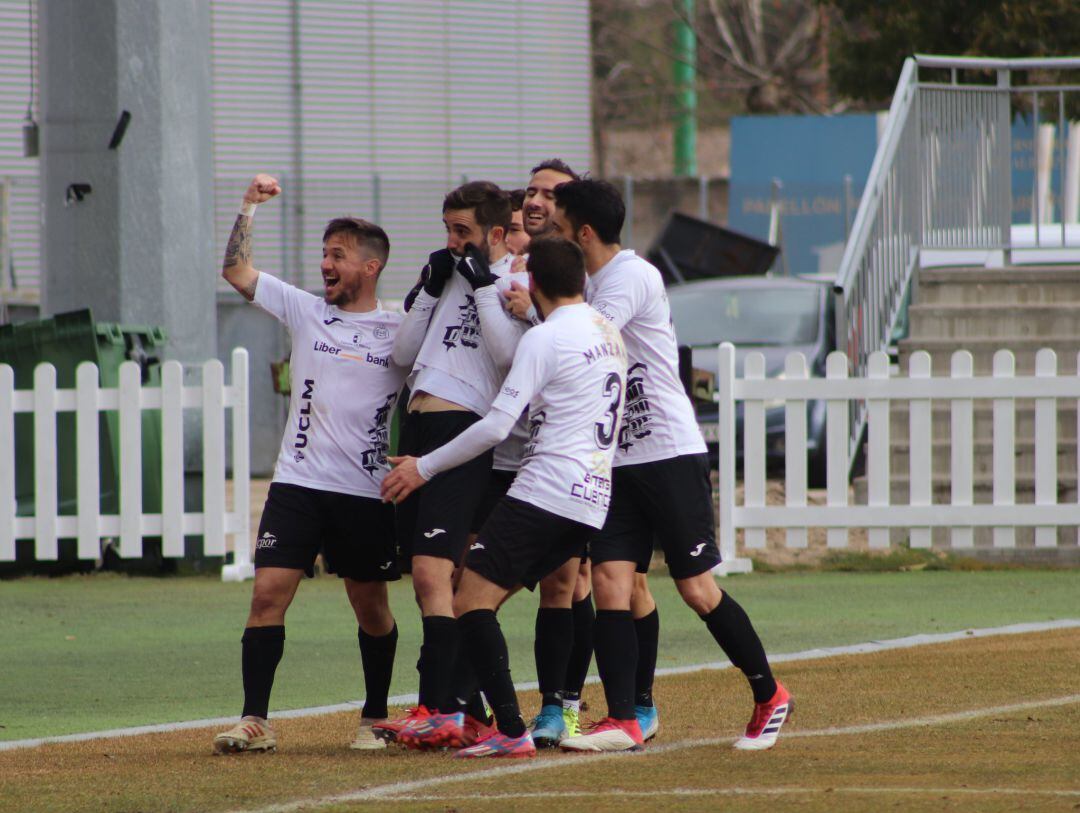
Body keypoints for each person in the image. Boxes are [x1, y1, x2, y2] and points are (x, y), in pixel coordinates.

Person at [550, 179, 793, 753]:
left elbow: (588, 339)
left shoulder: (631, 276)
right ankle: (625, 718)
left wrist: (531, 306)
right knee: (611, 580)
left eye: (559, 229)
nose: (554, 238)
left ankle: (769, 693)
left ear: (584, 234)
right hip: (617, 461)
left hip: (668, 453)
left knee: (696, 589)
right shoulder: (588, 285)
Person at [381, 236, 627, 759]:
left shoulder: (545, 338)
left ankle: (508, 729)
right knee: (493, 596)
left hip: (547, 489)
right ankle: (471, 711)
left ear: (533, 283)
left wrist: (424, 466)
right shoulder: (607, 331)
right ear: (582, 280)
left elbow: (496, 425)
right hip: (592, 496)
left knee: (469, 598)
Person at [212, 174, 405, 755]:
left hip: (365, 491)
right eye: (324, 253)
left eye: (338, 255)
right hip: (297, 484)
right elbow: (237, 273)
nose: (326, 263)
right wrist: (248, 207)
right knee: (267, 593)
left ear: (369, 268)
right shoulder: (305, 310)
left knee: (370, 605)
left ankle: (374, 717)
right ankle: (255, 720)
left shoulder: (400, 331)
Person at [508, 160, 662, 747]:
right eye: (530, 192)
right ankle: (561, 708)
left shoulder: (608, 279)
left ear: (576, 221)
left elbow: (596, 341)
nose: (537, 203)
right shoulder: (522, 267)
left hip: (614, 453)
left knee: (620, 583)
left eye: (550, 195)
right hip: (543, 454)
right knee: (562, 580)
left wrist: (535, 312)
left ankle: (638, 706)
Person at [375, 181, 525, 741]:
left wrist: (485, 286)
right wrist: (432, 290)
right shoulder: (444, 275)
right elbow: (402, 354)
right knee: (426, 579)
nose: (452, 241)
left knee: (432, 571)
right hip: (417, 424)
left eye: (462, 231)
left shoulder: (514, 281)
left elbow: (509, 356)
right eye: (447, 229)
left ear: (494, 233)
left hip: (464, 431)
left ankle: (438, 707)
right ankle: (460, 713)